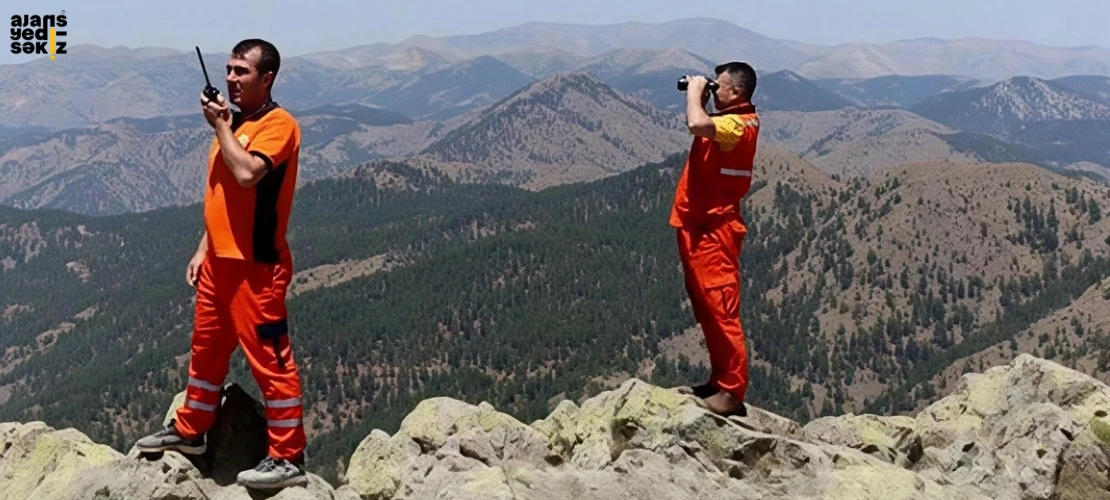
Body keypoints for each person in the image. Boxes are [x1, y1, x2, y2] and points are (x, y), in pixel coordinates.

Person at [135, 39, 308, 490]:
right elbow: (224, 199)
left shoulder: (278, 125)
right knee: (206, 351)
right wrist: (203, 248)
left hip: (256, 269)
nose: (231, 78)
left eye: (241, 71)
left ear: (266, 78)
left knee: (270, 361)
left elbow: (247, 174)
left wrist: (219, 128)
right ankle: (191, 430)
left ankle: (287, 456)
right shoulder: (236, 124)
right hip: (218, 263)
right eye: (228, 69)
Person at [670, 62, 760, 416]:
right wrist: (706, 99)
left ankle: (732, 390)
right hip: (698, 224)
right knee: (706, 308)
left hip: (715, 230)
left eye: (718, 86)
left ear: (736, 92)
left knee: (721, 309)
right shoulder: (728, 122)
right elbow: (707, 128)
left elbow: (696, 124)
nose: (713, 89)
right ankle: (718, 379)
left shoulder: (739, 124)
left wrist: (694, 95)